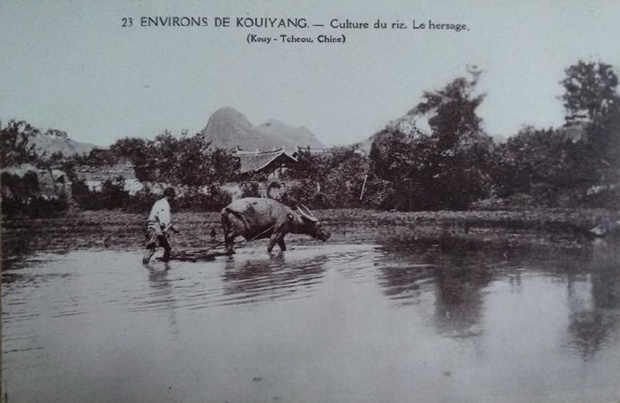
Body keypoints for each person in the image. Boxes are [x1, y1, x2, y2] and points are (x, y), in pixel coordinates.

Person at [142, 187, 180, 264]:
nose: (173, 199)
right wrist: (175, 229)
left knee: (167, 248)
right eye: (173, 196)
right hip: (155, 229)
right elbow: (164, 222)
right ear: (170, 196)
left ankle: (164, 269)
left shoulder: (158, 202)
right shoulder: (165, 205)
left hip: (151, 227)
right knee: (152, 249)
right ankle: (147, 265)